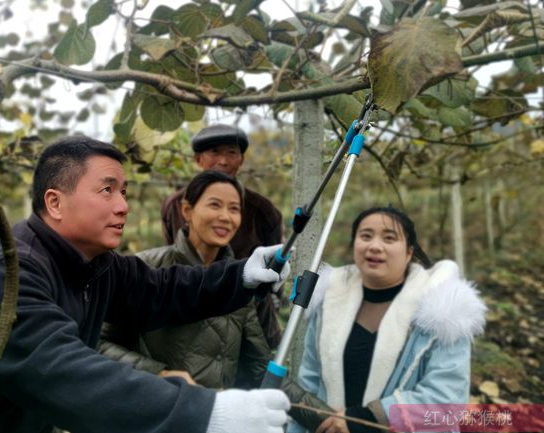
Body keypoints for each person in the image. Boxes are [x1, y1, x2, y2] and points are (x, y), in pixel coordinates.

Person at [0, 136, 292, 433]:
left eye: (124, 192)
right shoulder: (10, 272)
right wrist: (202, 412)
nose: (123, 205)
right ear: (54, 203)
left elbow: (161, 289)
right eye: (107, 190)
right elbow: (61, 373)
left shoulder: (96, 264)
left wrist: (240, 275)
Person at [287, 206, 487, 433]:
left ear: (409, 251)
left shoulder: (442, 313)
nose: (374, 246)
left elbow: (447, 399)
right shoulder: (328, 303)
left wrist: (366, 418)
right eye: (365, 236)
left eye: (389, 238)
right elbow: (309, 386)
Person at [99, 170, 270, 389]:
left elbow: (260, 366)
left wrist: (320, 414)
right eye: (215, 205)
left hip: (214, 416)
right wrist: (157, 374)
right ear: (187, 210)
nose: (226, 217)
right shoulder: (147, 267)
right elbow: (97, 342)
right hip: (158, 411)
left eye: (234, 209)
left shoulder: (241, 279)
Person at [161, 124, 284, 348]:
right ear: (198, 159)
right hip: (189, 314)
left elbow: (276, 270)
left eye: (231, 152)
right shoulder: (174, 206)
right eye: (214, 152)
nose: (223, 161)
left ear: (241, 160)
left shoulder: (263, 211)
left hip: (250, 319)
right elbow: (171, 260)